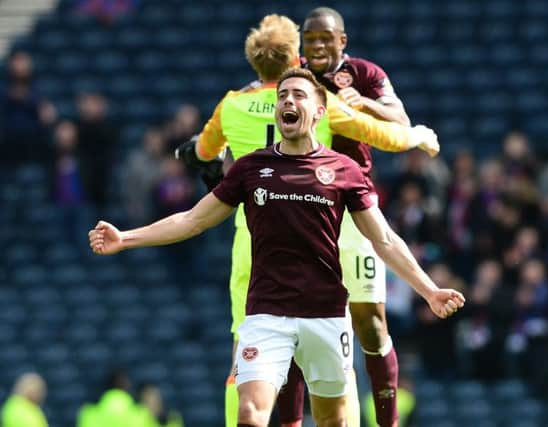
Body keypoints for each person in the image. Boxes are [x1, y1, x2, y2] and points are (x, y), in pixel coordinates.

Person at [89, 68, 465, 427]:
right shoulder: (251, 169)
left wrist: (428, 290)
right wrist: (126, 238)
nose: (288, 100)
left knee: (333, 419)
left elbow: (383, 239)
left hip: (326, 315)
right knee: (251, 412)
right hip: (266, 315)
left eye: (298, 95)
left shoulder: (344, 171)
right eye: (282, 95)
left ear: (319, 112)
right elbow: (192, 219)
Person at [174, 14, 439, 427]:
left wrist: (193, 154)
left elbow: (203, 159)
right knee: (335, 348)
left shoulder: (233, 104)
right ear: (294, 54)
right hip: (317, 228)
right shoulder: (317, 102)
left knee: (247, 355)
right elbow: (387, 135)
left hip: (257, 237)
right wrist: (421, 135)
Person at [299, 7, 412, 426]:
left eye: (326, 39)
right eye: (310, 41)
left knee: (370, 322)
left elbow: (401, 121)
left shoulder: (365, 74)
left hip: (353, 208)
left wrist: (364, 103)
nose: (318, 48)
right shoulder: (296, 80)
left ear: (341, 41)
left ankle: (388, 422)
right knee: (299, 325)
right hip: (303, 207)